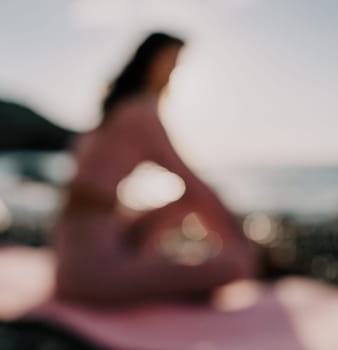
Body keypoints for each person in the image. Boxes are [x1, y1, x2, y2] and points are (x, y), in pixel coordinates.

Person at [53, 32, 257, 306]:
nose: (172, 73)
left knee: (183, 205)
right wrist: (240, 234)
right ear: (150, 62)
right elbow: (191, 182)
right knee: (238, 265)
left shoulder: (113, 113)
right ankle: (235, 251)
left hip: (77, 249)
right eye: (170, 63)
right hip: (91, 271)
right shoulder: (140, 113)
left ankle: (214, 251)